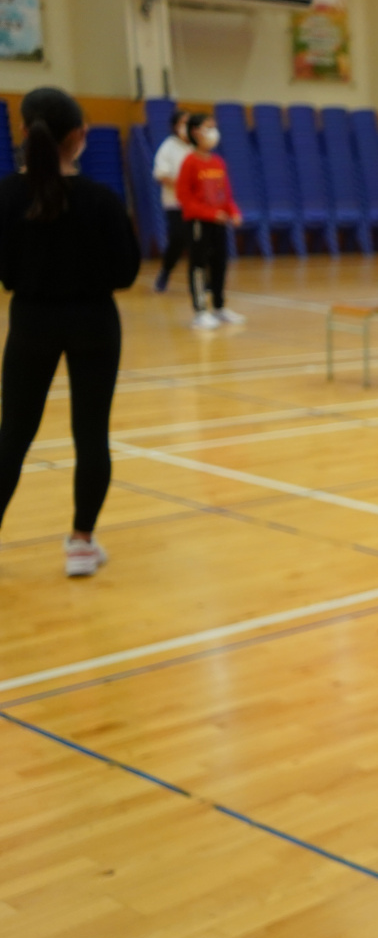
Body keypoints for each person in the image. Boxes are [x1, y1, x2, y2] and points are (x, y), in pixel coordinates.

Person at [0, 87, 142, 576]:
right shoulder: (102, 201)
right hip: (94, 323)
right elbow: (126, 272)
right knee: (91, 433)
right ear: (80, 135)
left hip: (31, 321)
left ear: (24, 131)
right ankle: (81, 543)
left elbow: (4, 270)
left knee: (13, 435)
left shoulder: (6, 196)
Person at [176, 113, 244, 330]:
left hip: (219, 223)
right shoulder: (189, 162)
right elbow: (184, 198)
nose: (214, 132)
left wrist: (233, 212)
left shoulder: (218, 162)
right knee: (198, 265)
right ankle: (200, 311)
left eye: (214, 127)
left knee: (219, 264)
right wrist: (209, 214)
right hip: (199, 223)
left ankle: (219, 307)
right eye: (208, 127)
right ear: (195, 131)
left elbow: (226, 195)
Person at [151, 109, 193, 292]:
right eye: (183, 123)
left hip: (197, 204)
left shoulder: (196, 148)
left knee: (201, 242)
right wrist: (184, 184)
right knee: (178, 238)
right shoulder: (168, 147)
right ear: (175, 126)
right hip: (175, 203)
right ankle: (166, 271)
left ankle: (201, 279)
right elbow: (161, 174)